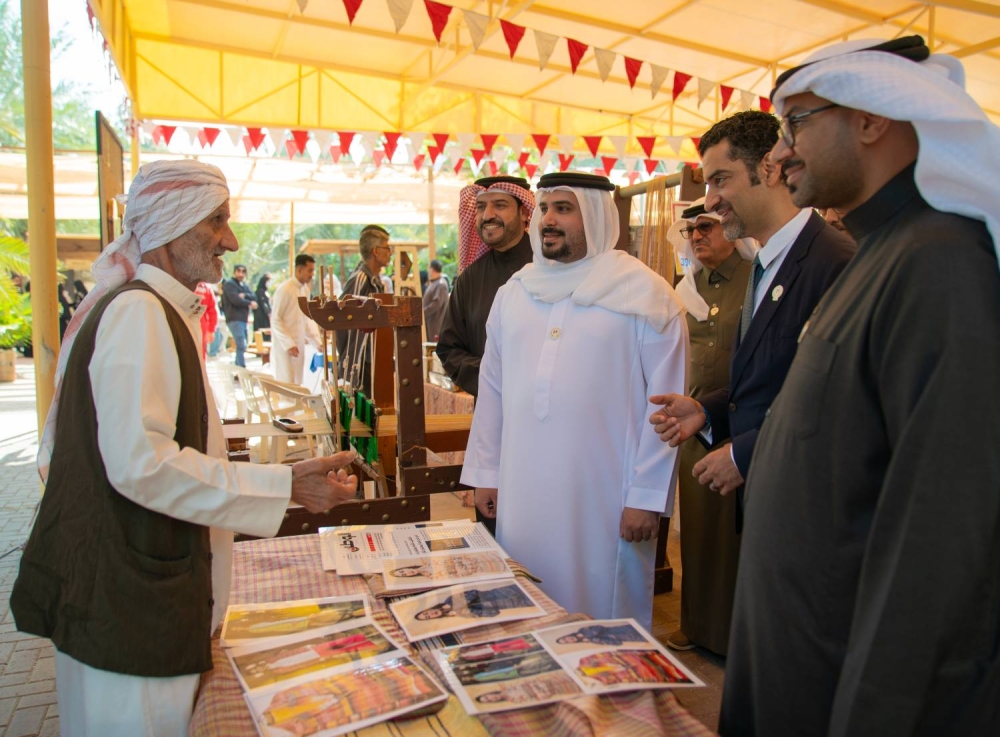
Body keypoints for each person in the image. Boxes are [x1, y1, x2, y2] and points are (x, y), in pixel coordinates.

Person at [11, 160, 359, 737]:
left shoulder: (157, 310)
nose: (231, 240)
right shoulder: (139, 313)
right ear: (171, 225)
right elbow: (142, 465)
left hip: (131, 596)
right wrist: (285, 485)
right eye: (216, 220)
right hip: (130, 607)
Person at [716, 36, 1000, 737]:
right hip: (798, 659)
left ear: (871, 117)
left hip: (844, 684)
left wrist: (879, 708)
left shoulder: (940, 263)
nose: (782, 154)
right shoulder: (885, 249)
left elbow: (937, 535)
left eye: (797, 124)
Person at [462, 172, 688, 629]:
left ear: (597, 217)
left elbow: (666, 408)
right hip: (522, 493)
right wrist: (486, 474)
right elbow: (493, 390)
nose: (548, 219)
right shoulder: (514, 293)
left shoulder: (646, 295)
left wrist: (646, 498)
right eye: (546, 208)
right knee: (526, 605)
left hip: (605, 499)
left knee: (603, 622)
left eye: (564, 209)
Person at [650, 111, 854, 514]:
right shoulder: (766, 263)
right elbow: (772, 380)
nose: (711, 200)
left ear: (769, 169)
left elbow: (843, 403)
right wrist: (708, 411)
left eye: (721, 180)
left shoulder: (835, 263)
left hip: (812, 506)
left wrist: (745, 454)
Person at [661, 199, 754, 655]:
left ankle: (736, 636)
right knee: (698, 533)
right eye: (691, 230)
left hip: (745, 425)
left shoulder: (756, 278)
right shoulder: (685, 288)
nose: (697, 237)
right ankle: (696, 626)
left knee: (737, 538)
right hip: (695, 426)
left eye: (706, 227)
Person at [436, 176, 535, 400]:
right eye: (481, 207)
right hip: (490, 407)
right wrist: (494, 378)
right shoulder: (470, 279)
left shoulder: (550, 267)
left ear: (524, 212)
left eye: (499, 205)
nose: (487, 215)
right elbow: (449, 349)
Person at [337, 224, 390, 394]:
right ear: (376, 251)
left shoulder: (376, 281)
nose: (390, 252)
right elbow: (341, 318)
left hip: (372, 359)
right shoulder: (360, 279)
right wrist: (349, 356)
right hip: (360, 362)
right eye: (387, 248)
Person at [270, 254, 323, 386]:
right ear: (299, 270)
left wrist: (317, 342)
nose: (312, 275)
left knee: (298, 382)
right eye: (310, 270)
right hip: (284, 347)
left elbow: (306, 319)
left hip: (299, 345)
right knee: (286, 382)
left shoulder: (305, 290)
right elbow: (275, 319)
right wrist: (288, 343)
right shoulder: (284, 289)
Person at [414, 583, 533, 620]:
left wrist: (458, 605)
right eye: (428, 617)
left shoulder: (449, 600)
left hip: (506, 591)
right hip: (515, 604)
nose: (430, 614)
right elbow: (494, 613)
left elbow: (474, 592)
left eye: (426, 613)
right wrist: (465, 611)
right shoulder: (461, 615)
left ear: (428, 609)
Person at [221, 263, 257, 367]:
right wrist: (249, 303)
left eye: (243, 271)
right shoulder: (229, 284)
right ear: (234, 272)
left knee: (242, 345)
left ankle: (238, 367)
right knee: (241, 343)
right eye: (239, 271)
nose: (241, 274)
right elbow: (235, 300)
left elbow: (254, 296)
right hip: (234, 318)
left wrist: (244, 295)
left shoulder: (244, 286)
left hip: (243, 319)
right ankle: (241, 367)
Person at [422, 259, 448, 341]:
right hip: (430, 321)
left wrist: (423, 312)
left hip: (436, 323)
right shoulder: (435, 283)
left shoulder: (440, 284)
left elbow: (436, 303)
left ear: (432, 269)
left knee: (434, 345)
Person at [195, 281, 219, 360]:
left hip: (199, 326)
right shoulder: (207, 287)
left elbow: (212, 310)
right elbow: (213, 310)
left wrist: (211, 330)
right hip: (200, 326)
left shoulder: (206, 287)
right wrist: (211, 330)